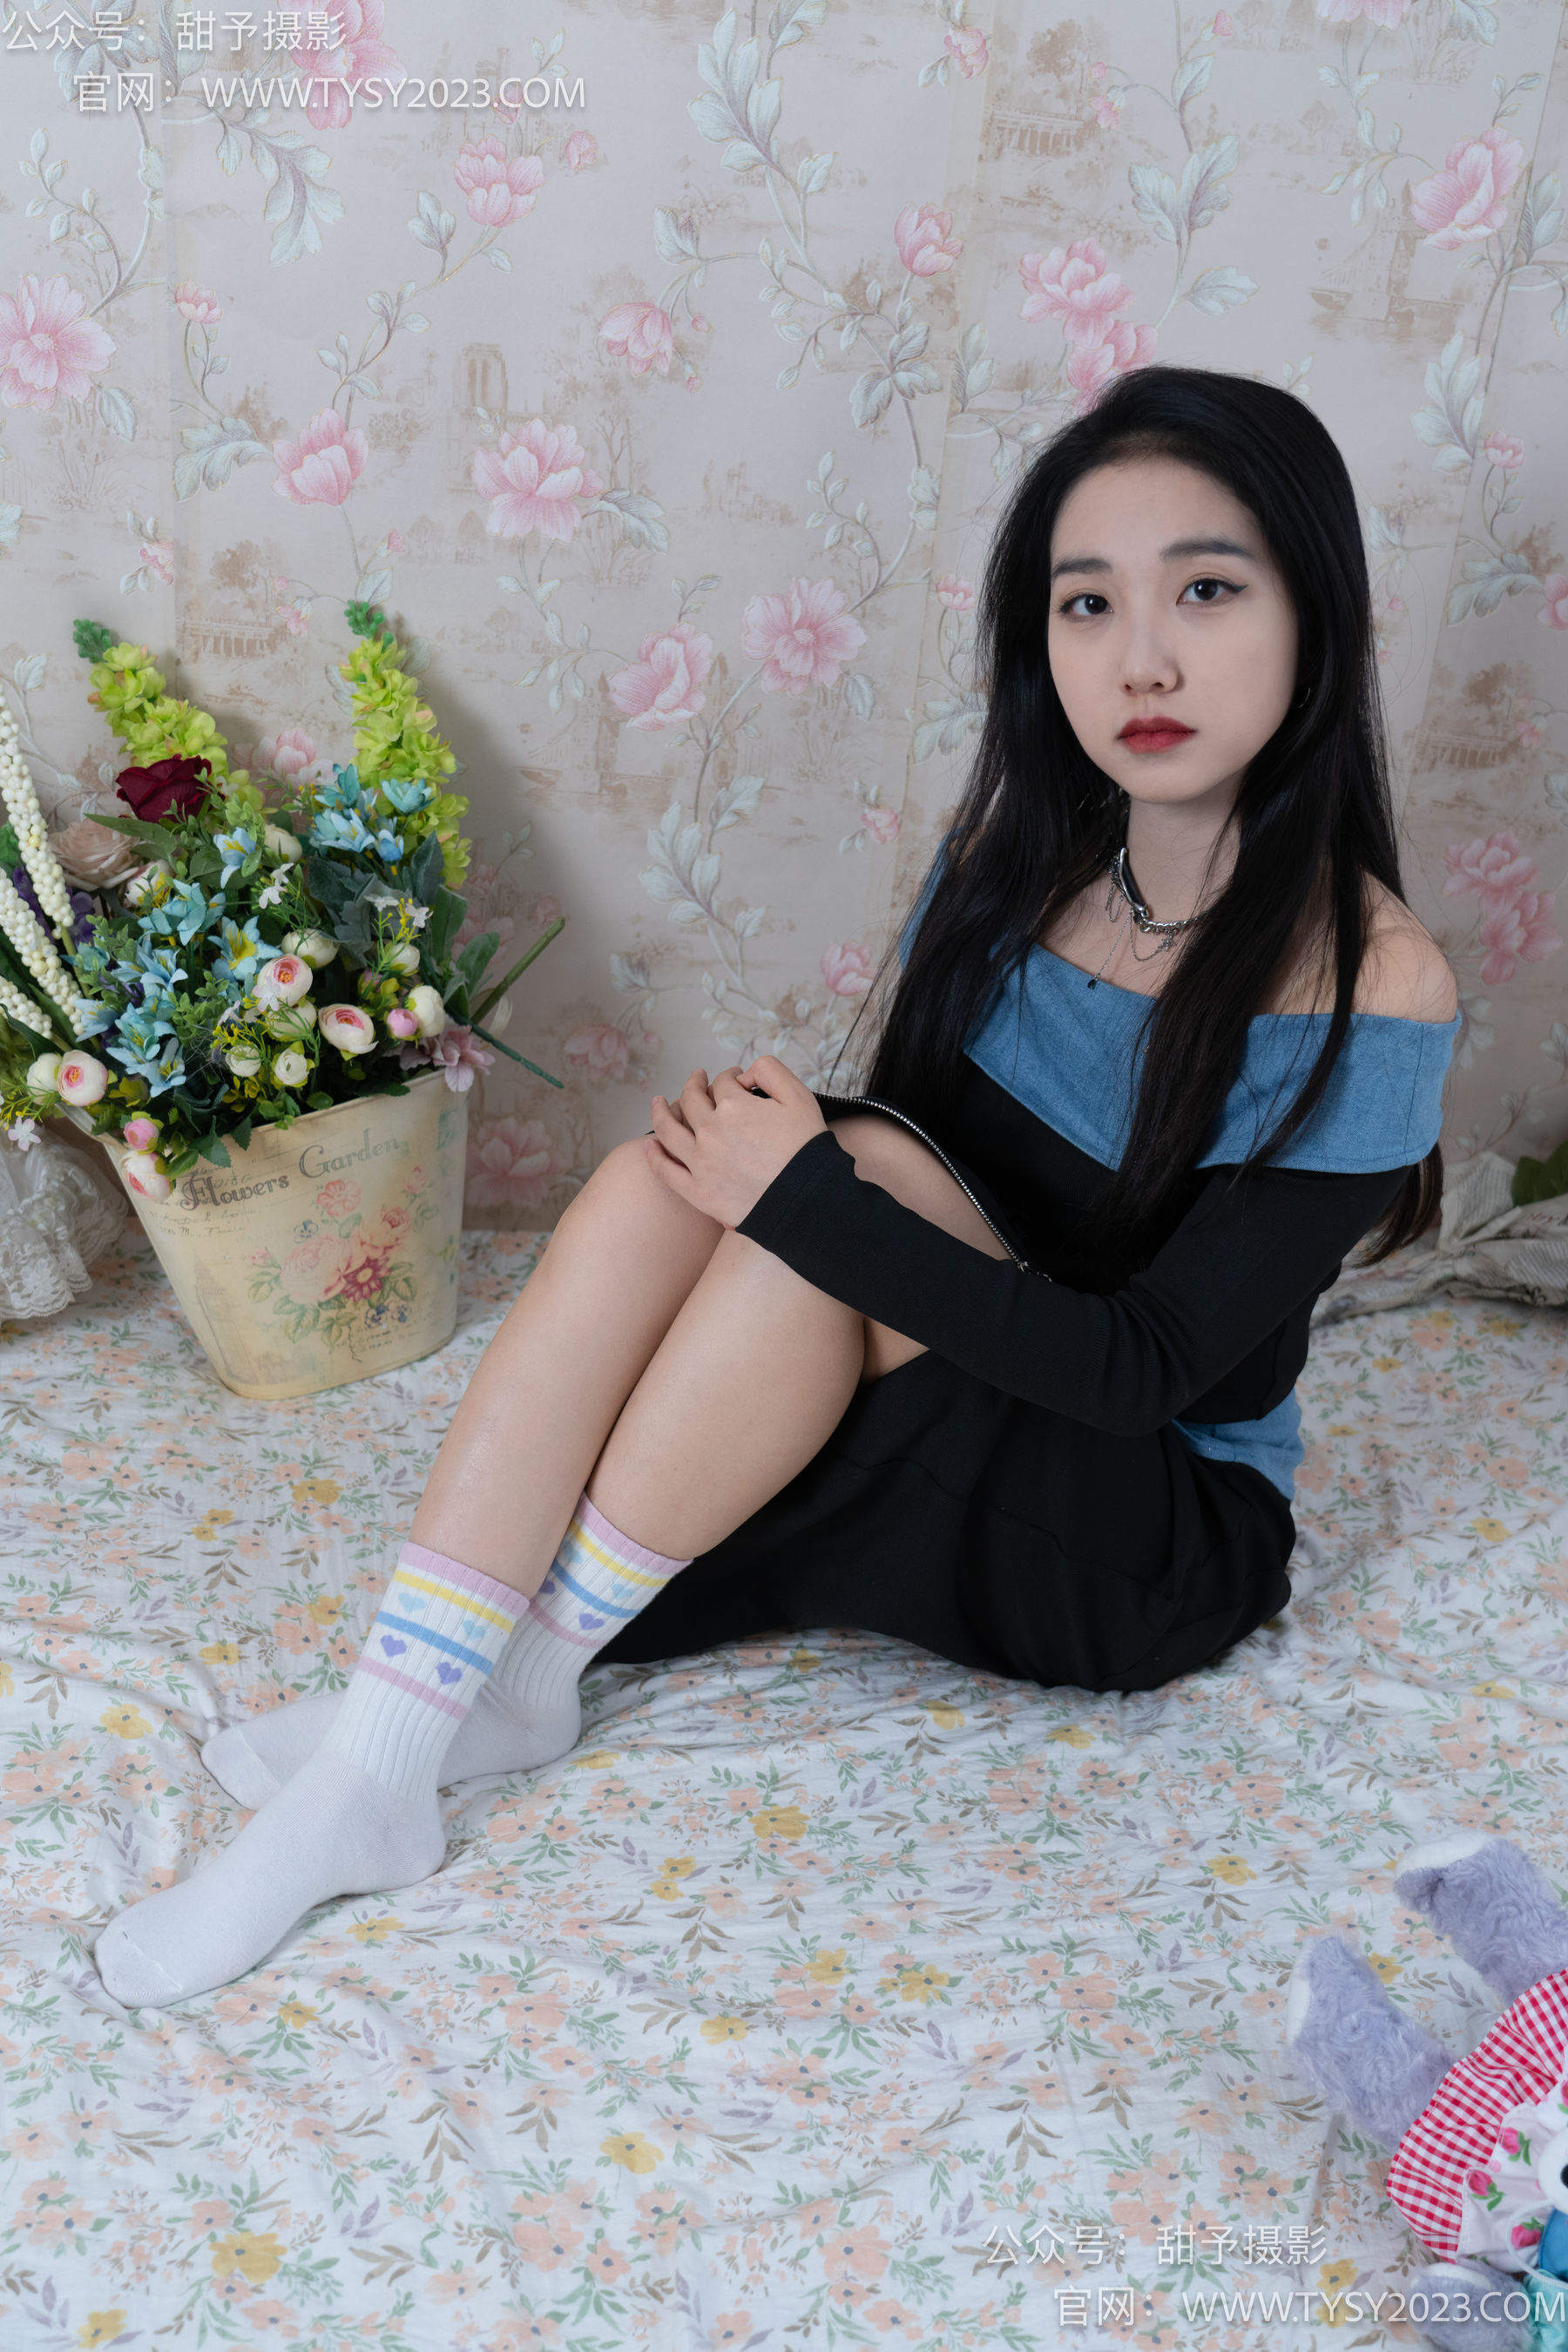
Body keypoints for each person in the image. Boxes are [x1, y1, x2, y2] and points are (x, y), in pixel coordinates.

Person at [94, 364, 1460, 2008]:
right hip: (976, 1393)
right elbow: (934, 1186)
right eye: (1087, 602)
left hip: (1141, 1530)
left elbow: (1146, 1371)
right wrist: (764, 1174)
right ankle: (421, 1731)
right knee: (676, 1177)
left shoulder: (1371, 976)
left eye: (1209, 591)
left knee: (825, 1181)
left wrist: (804, 1189)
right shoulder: (1017, 865)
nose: (1142, 659)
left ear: (1318, 614)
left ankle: (469, 1708)